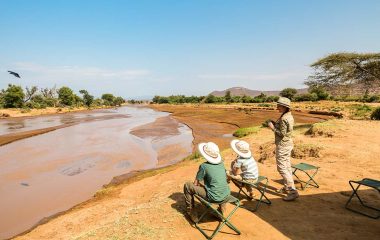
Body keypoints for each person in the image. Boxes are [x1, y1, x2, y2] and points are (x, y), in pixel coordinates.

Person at [183, 142, 230, 222]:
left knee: (187, 185)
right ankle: (222, 211)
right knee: (219, 185)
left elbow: (196, 183)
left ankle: (191, 212)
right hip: (226, 196)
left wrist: (201, 185)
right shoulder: (221, 164)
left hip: (214, 198)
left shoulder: (204, 166)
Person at [267, 97, 299, 201]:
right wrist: (275, 124)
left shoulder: (284, 118)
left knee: (281, 168)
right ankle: (287, 187)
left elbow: (282, 134)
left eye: (279, 106)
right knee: (287, 166)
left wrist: (272, 128)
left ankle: (292, 191)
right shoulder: (288, 115)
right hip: (288, 144)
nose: (277, 108)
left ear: (285, 107)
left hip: (283, 145)